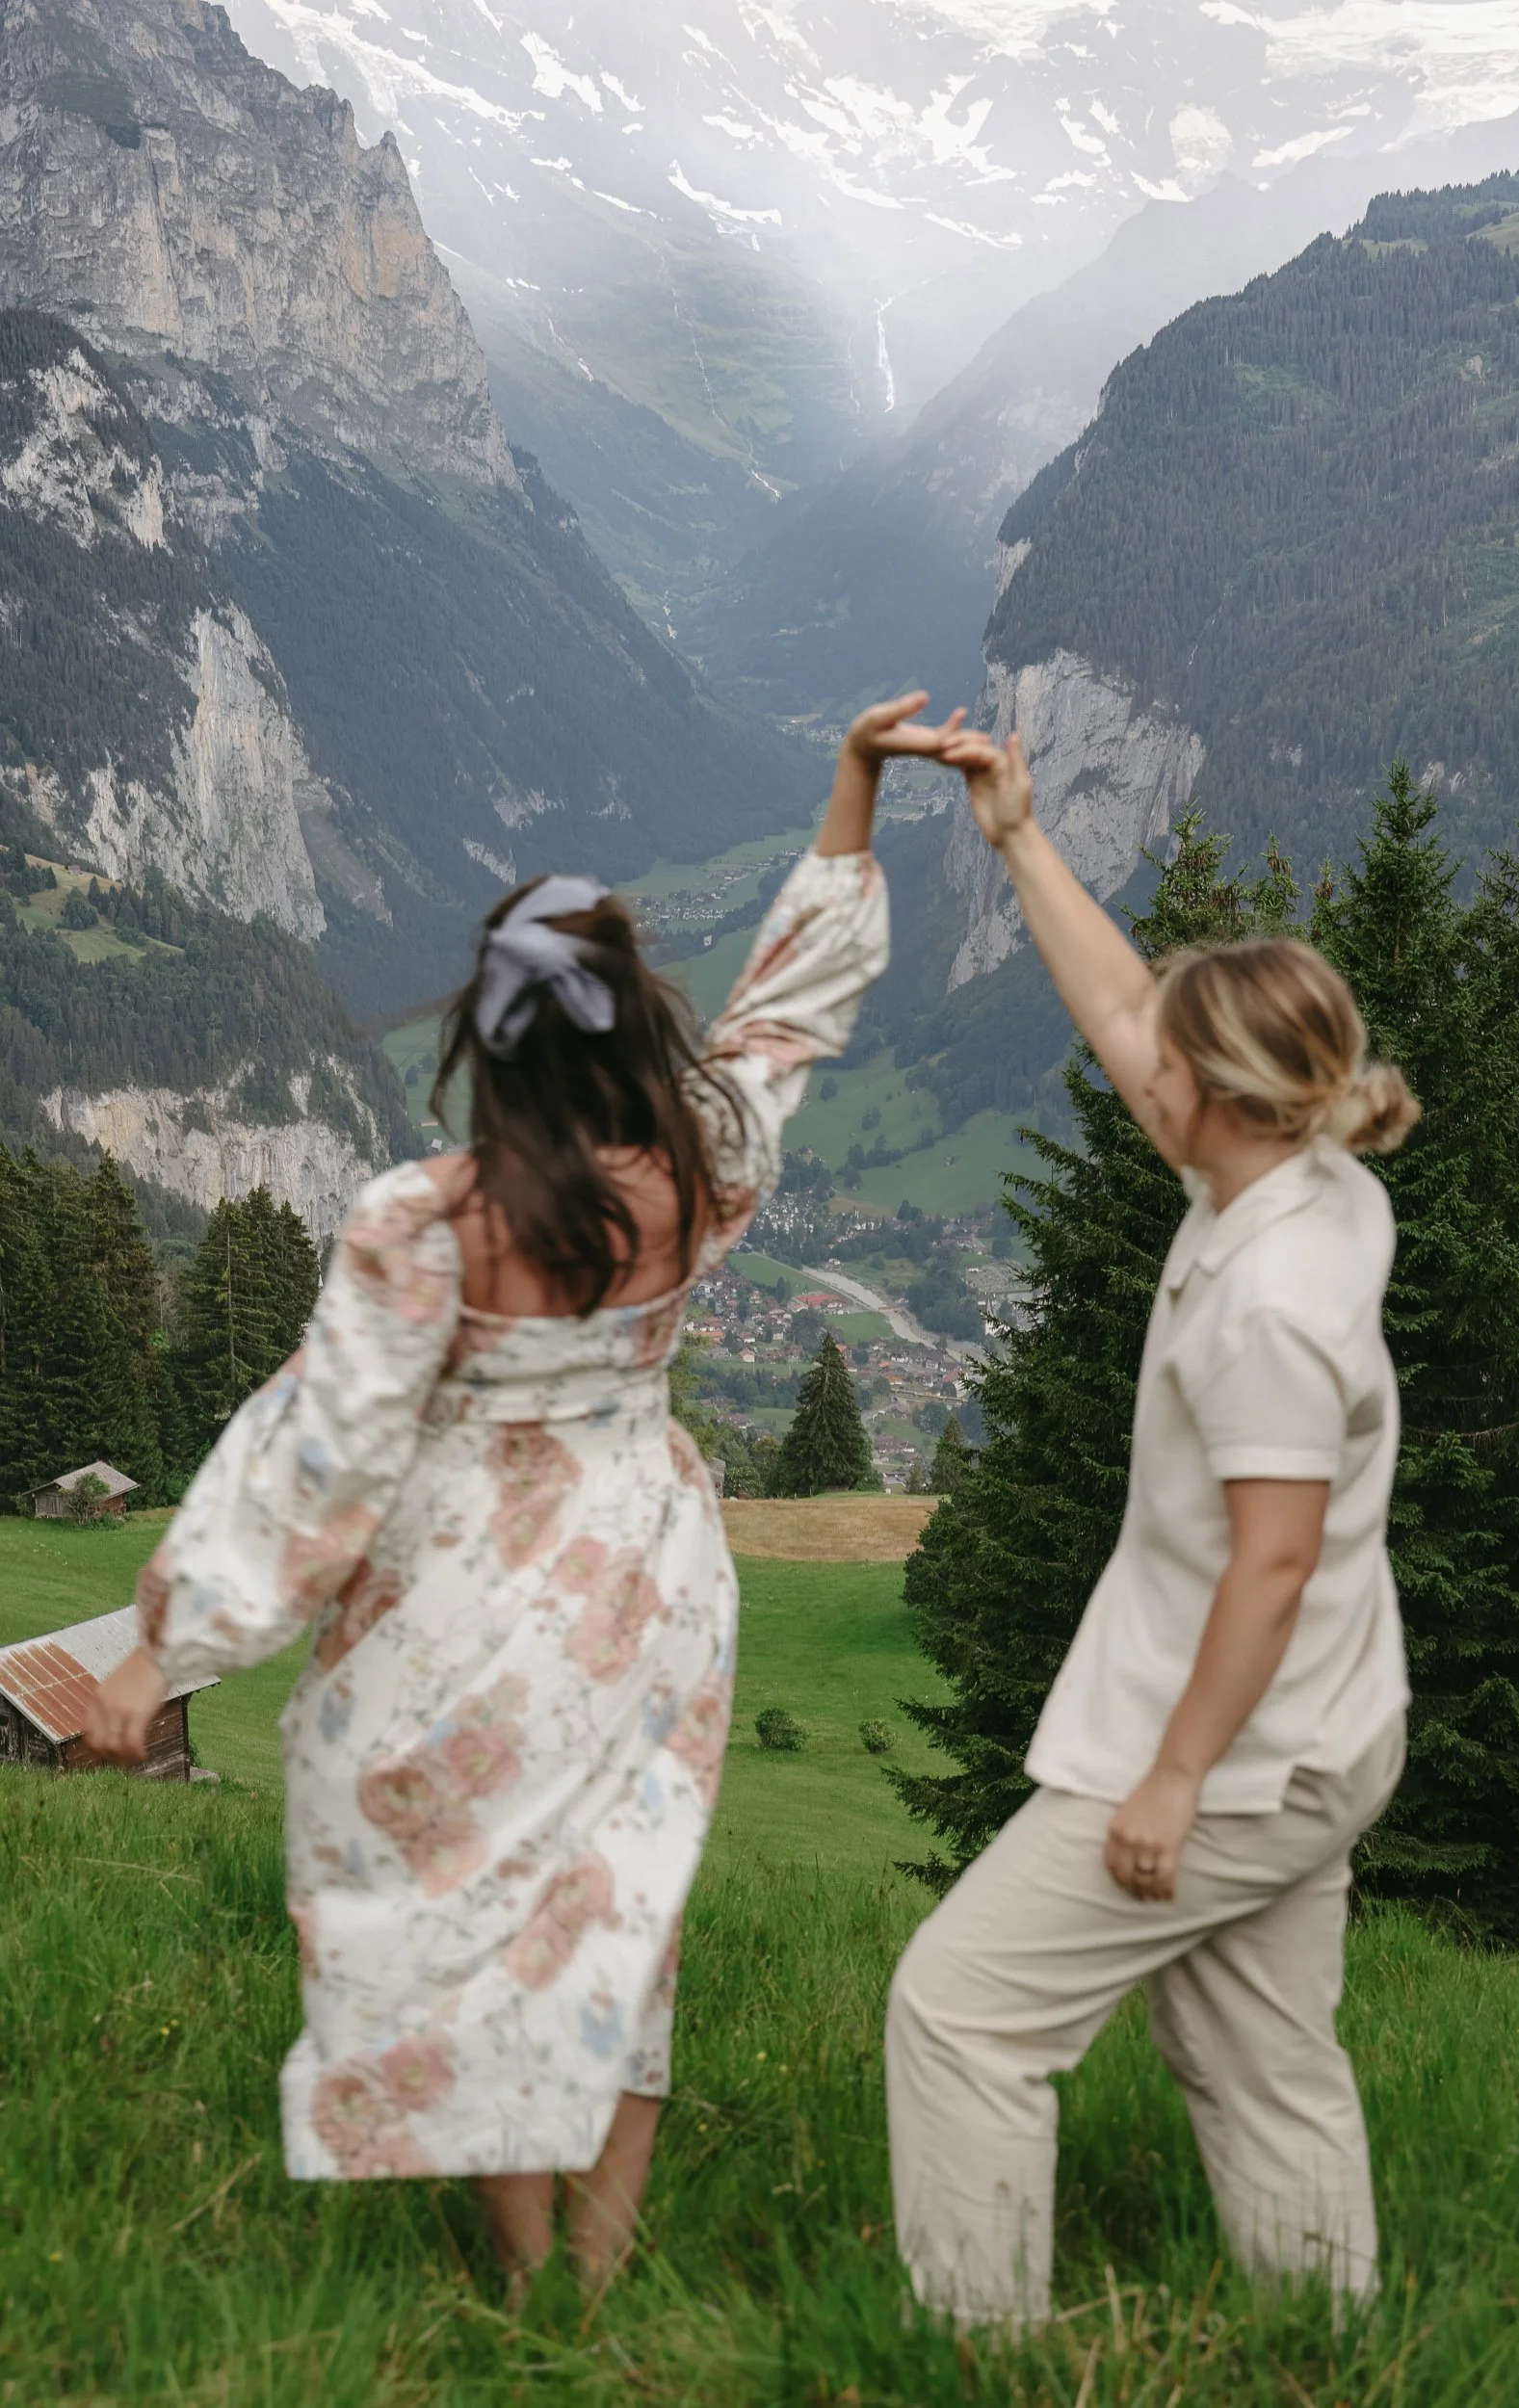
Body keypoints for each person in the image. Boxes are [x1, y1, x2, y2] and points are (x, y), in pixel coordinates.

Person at [84, 691, 965, 2299]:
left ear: (483, 1042)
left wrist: (164, 1651)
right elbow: (787, 1015)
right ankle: (598, 2283)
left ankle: (516, 2263)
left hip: (463, 1596)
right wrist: (851, 788)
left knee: (475, 1908)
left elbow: (321, 1452)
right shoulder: (700, 1163)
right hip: (640, 1584)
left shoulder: (429, 1223)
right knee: (613, 1919)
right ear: (635, 1028)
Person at [886, 726, 1419, 2330]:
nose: (1141, 1079)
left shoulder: (1269, 1303)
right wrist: (1018, 836)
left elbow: (1272, 1559)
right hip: (1329, 1719)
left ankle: (977, 2346)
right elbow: (1128, 1018)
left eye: (1168, 1071)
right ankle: (1326, 2341)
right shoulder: (1306, 1174)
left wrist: (1172, 1779)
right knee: (1255, 2050)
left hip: (1238, 1750)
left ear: (1222, 1097)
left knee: (963, 2012)